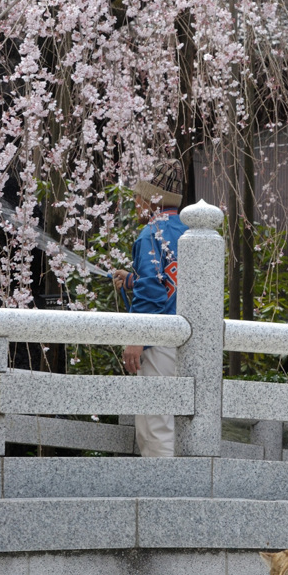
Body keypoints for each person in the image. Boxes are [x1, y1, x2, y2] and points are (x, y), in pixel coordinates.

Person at [111, 159, 188, 457]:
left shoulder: (150, 234)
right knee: (180, 422)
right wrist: (132, 280)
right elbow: (170, 281)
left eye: (137, 197)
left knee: (154, 424)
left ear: (150, 199)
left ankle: (164, 498)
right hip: (187, 339)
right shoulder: (186, 231)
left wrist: (136, 338)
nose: (135, 203)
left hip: (159, 341)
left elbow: (154, 292)